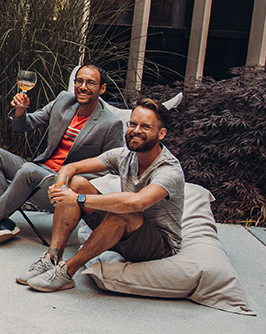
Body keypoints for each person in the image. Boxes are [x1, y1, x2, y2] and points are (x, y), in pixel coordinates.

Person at [0, 64, 124, 244]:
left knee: (29, 170)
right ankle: (2, 223)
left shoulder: (110, 124)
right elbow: (25, 124)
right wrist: (21, 110)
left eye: (90, 83)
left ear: (102, 88)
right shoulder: (64, 100)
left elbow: (111, 171)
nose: (83, 87)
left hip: (61, 189)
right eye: (79, 81)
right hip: (37, 173)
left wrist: (74, 180)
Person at [23, 99, 185, 293]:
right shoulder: (125, 155)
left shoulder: (169, 170)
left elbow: (138, 203)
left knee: (123, 210)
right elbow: (70, 168)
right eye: (133, 124)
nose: (136, 130)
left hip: (158, 245)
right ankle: (52, 257)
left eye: (145, 126)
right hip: (125, 234)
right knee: (77, 184)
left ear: (161, 134)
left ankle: (66, 272)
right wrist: (61, 188)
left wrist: (77, 199)